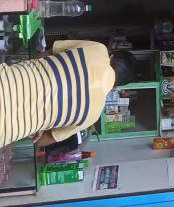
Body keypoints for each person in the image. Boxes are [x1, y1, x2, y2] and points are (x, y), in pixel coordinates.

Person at [0, 43, 139, 148]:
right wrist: (41, 123)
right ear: (116, 87)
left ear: (112, 56)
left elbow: (48, 53)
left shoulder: (98, 49)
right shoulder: (93, 115)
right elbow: (41, 141)